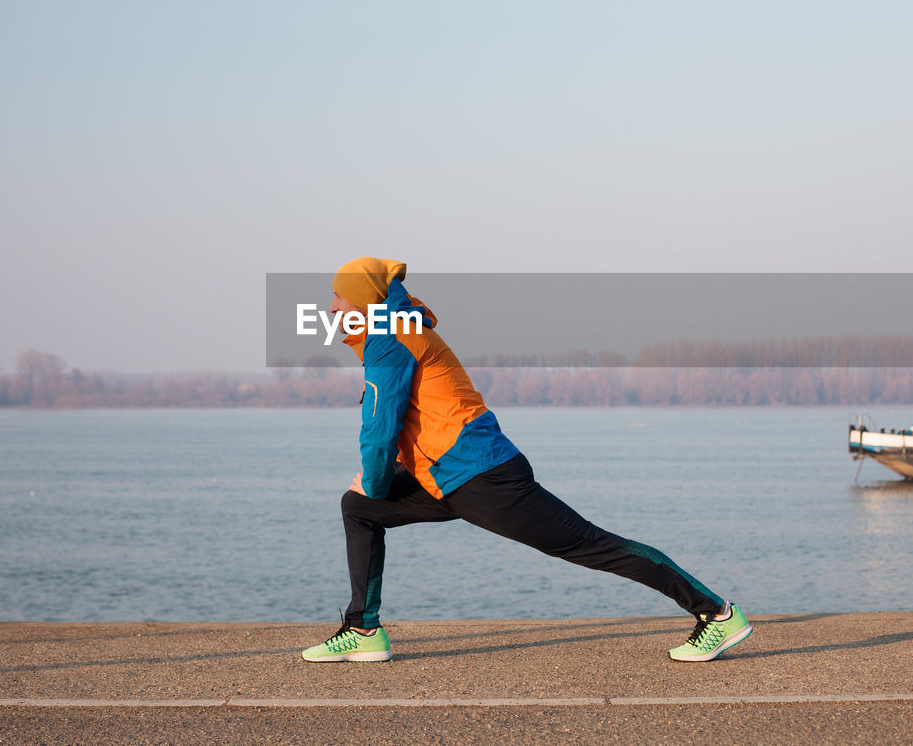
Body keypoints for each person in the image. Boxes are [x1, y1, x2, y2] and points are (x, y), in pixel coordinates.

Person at [301, 257, 751, 664]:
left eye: (338, 296)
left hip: (484, 478)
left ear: (363, 300)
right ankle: (362, 628)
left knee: (591, 545)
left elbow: (379, 428)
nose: (334, 308)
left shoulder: (391, 338)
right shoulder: (393, 332)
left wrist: (377, 481)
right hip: (447, 478)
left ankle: (717, 613)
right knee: (358, 507)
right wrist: (378, 485)